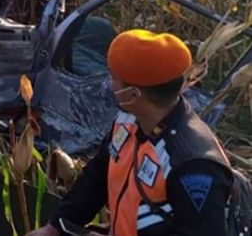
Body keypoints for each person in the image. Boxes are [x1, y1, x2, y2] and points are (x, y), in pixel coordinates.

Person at [28, 29, 234, 236]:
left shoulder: (193, 165)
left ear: (133, 93)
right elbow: (98, 175)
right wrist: (55, 227)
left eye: (114, 78)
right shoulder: (129, 120)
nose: (110, 85)